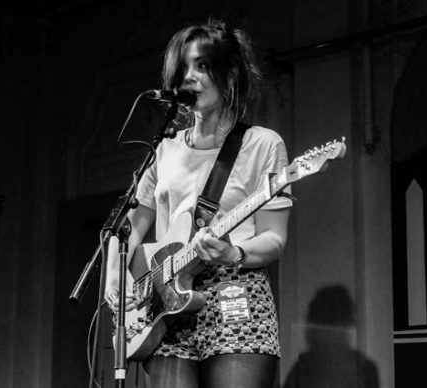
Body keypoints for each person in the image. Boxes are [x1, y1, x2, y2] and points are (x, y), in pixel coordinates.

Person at [105, 19, 292, 388]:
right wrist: (116, 277)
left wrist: (232, 253)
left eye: (202, 66)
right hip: (164, 300)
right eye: (183, 69)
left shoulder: (262, 144)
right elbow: (128, 226)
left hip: (235, 293)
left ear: (231, 73)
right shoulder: (165, 148)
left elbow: (274, 238)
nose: (188, 78)